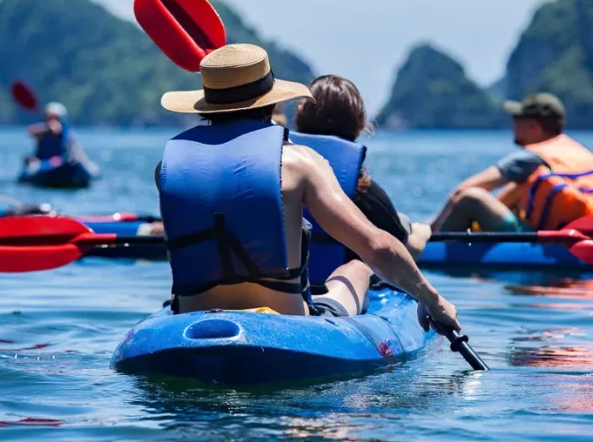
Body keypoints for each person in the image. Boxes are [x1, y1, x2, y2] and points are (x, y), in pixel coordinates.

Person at [154, 43, 460, 336]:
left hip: (190, 315)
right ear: (271, 104)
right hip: (286, 321)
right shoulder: (300, 162)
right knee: (359, 265)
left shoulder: (170, 166)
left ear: (205, 106)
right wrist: (432, 299)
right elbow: (377, 247)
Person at [430, 93, 593, 233]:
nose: (513, 126)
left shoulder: (530, 157)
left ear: (533, 127)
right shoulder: (573, 152)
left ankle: (428, 249)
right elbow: (509, 197)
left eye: (517, 120)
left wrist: (430, 232)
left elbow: (464, 189)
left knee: (470, 198)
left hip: (557, 242)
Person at [292, 75, 432, 279]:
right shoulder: (362, 192)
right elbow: (402, 253)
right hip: (340, 287)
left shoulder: (278, 175)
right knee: (406, 225)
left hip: (284, 287)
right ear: (359, 125)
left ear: (299, 116)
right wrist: (423, 234)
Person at [25, 102, 89, 166]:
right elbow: (30, 131)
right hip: (44, 162)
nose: (53, 120)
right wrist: (47, 129)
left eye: (56, 117)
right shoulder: (42, 131)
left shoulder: (66, 132)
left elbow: (58, 130)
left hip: (62, 160)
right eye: (50, 117)